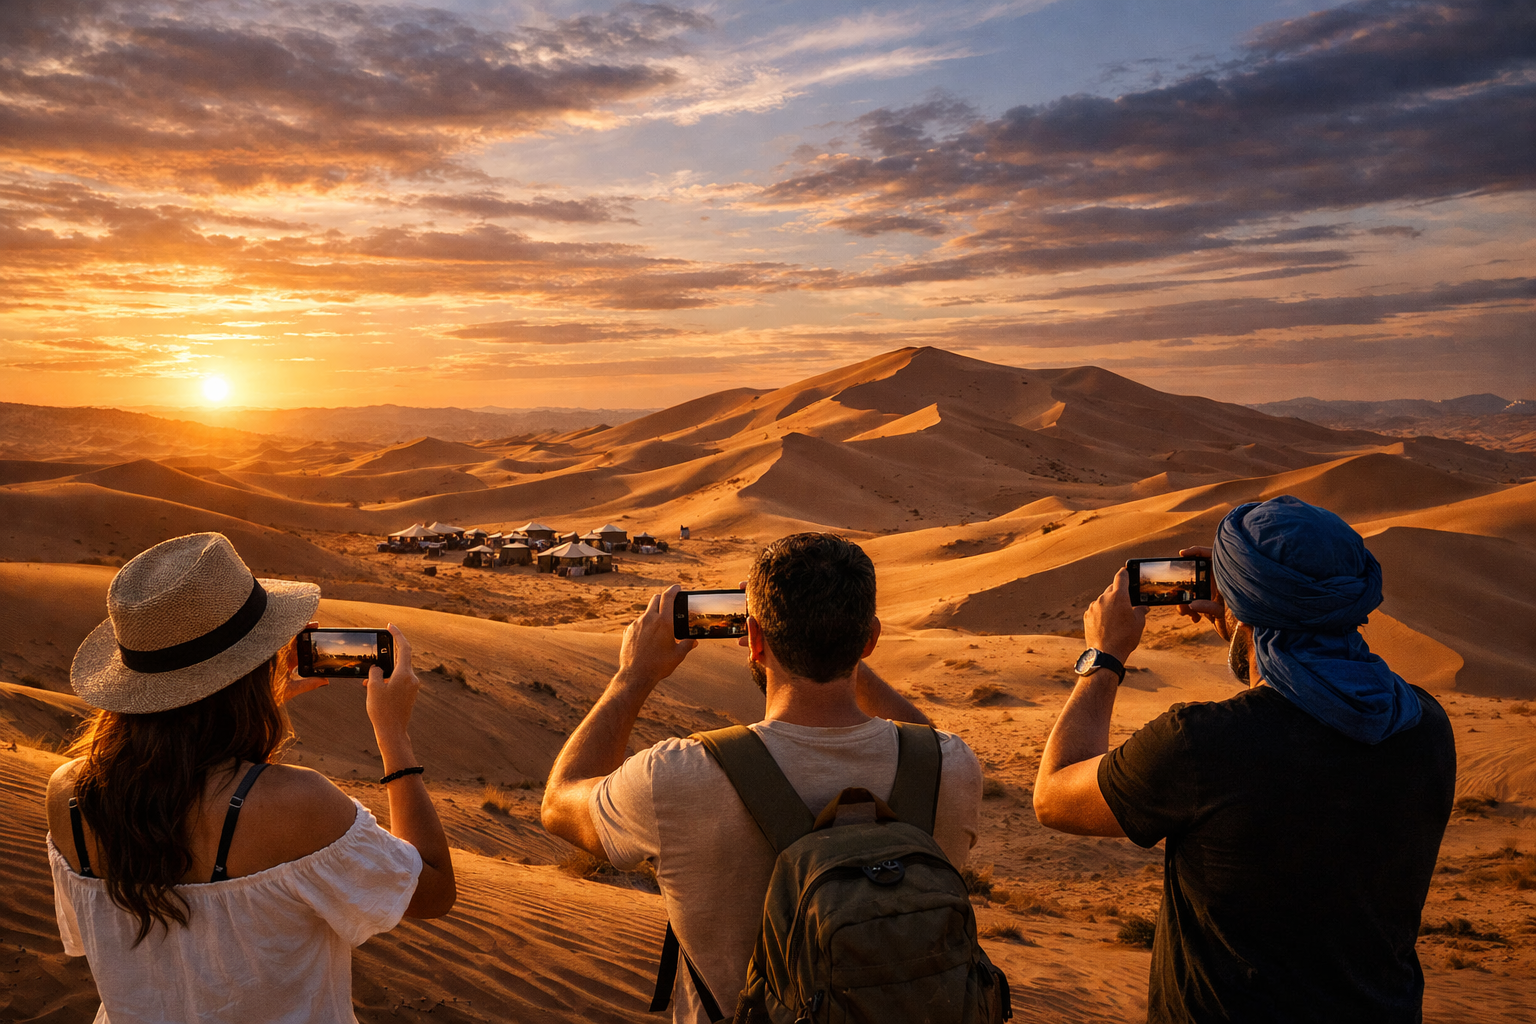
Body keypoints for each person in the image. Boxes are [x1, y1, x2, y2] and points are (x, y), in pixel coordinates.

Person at [1033, 496, 1456, 1023]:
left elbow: (1053, 797)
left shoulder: (1200, 745)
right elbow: (1302, 716)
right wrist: (1247, 631)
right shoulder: (1423, 724)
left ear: (1240, 603)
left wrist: (1104, 657)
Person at [541, 533, 983, 1023]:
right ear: (870, 640)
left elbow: (559, 803)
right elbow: (920, 734)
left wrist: (633, 675)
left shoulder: (678, 778)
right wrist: (841, 648)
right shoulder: (951, 768)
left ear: (753, 640)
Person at [47, 532, 456, 1023]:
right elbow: (431, 890)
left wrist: (252, 706)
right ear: (251, 668)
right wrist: (393, 734)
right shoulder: (300, 803)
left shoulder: (70, 794)